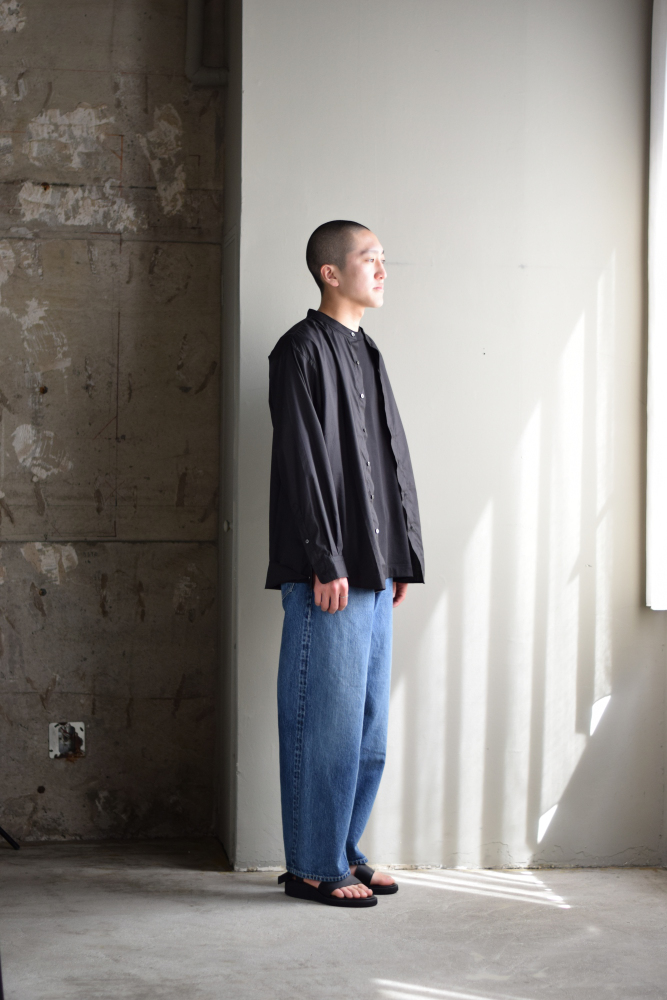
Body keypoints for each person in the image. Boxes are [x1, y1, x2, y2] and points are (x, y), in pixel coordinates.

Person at [267, 220, 425, 908]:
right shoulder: (299, 350)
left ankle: (342, 850)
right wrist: (325, 558)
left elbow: (389, 461)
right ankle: (311, 866)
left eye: (384, 259)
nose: (383, 269)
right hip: (327, 571)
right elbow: (303, 463)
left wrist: (399, 558)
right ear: (330, 272)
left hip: (371, 569)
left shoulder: (367, 351)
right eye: (370, 258)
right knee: (322, 726)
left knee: (366, 732)